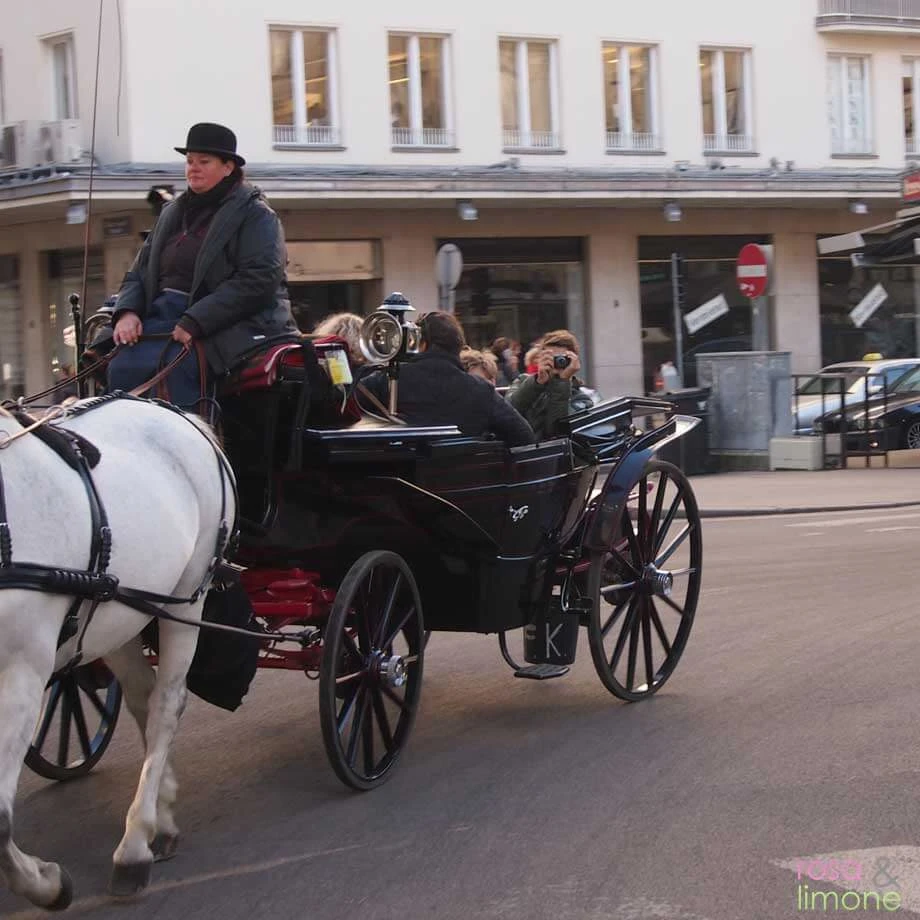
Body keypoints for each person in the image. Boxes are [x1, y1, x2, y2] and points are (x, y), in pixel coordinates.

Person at [106, 122, 299, 411]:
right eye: (189, 161)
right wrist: (127, 312)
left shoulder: (256, 215)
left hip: (234, 322)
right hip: (165, 315)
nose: (193, 168)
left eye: (203, 162)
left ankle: (192, 447)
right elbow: (139, 272)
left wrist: (196, 320)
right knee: (117, 364)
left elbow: (259, 279)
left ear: (228, 167)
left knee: (176, 367)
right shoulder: (172, 212)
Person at [361, 312, 534, 447]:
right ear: (458, 347)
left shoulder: (389, 380)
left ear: (421, 343)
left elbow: (346, 405)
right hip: (464, 486)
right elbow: (524, 436)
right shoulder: (481, 390)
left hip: (400, 485)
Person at [506, 329, 587, 440]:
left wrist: (562, 382)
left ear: (574, 360)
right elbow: (508, 411)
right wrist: (537, 382)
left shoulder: (581, 398)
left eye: (562, 358)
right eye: (552, 358)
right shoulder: (523, 381)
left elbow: (557, 433)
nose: (557, 362)